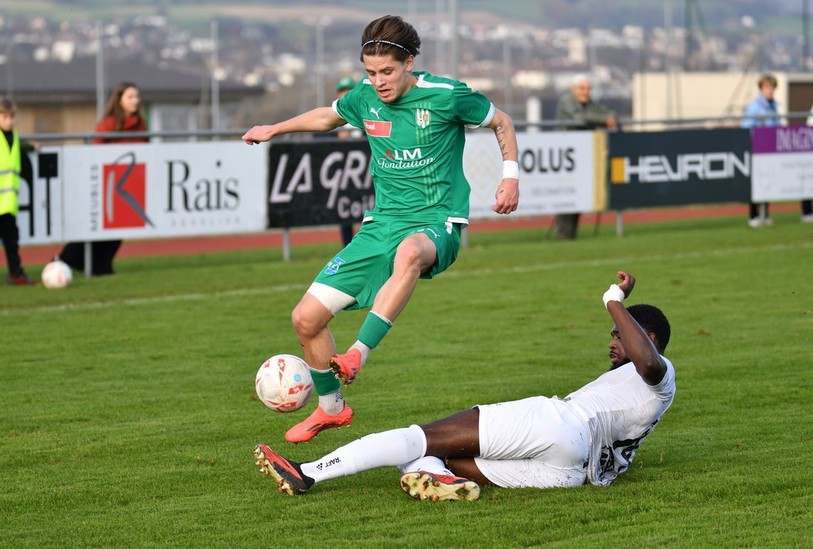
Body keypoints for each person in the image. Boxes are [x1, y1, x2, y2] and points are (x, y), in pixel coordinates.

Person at [243, 15, 520, 444]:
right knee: (305, 319)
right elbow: (326, 117)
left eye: (387, 71)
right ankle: (332, 409)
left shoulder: (446, 96)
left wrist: (510, 176)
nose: (378, 81)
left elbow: (501, 121)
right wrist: (275, 129)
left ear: (409, 62)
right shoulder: (365, 98)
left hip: (436, 221)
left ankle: (358, 353)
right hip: (380, 224)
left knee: (409, 253)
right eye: (370, 72)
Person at [253, 271, 675, 501]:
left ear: (648, 337)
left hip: (559, 424)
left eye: (618, 334)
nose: (611, 341)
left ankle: (308, 472)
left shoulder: (660, 374)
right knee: (438, 458)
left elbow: (648, 362)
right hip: (571, 472)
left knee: (417, 437)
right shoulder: (635, 386)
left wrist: (614, 301)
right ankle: (435, 478)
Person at [58, 81, 148, 275]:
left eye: (137, 96)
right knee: (96, 226)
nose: (135, 101)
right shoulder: (108, 124)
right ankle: (65, 259)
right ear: (119, 100)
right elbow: (95, 152)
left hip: (128, 186)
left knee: (119, 228)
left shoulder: (141, 125)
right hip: (106, 184)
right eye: (130, 97)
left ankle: (102, 264)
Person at [740, 74, 813, 225]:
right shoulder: (755, 107)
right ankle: (755, 216)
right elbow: (746, 127)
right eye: (767, 87)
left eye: (772, 87)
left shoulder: (774, 106)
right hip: (759, 150)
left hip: (771, 150)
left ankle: (765, 215)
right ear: (761, 88)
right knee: (759, 183)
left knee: (769, 181)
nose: (770, 90)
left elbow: (777, 127)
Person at [553, 75, 618, 240]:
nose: (586, 92)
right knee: (566, 195)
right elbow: (579, 119)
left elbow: (608, 113)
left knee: (579, 194)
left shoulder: (590, 104)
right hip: (565, 156)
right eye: (582, 89)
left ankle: (572, 233)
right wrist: (605, 121)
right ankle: (564, 234)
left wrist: (609, 118)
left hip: (583, 155)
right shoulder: (566, 101)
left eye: (588, 89)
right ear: (574, 89)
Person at [0, 97, 37, 285]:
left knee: (12, 241)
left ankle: (15, 273)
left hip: (8, 203)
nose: (9, 121)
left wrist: (30, 146)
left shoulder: (13, 136)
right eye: (4, 117)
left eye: (11, 117)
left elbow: (17, 152)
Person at [335, 76, 361, 246]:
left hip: (366, 175)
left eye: (349, 91)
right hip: (342, 176)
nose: (346, 94)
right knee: (344, 214)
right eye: (343, 91)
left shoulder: (364, 115)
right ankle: (347, 247)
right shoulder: (334, 117)